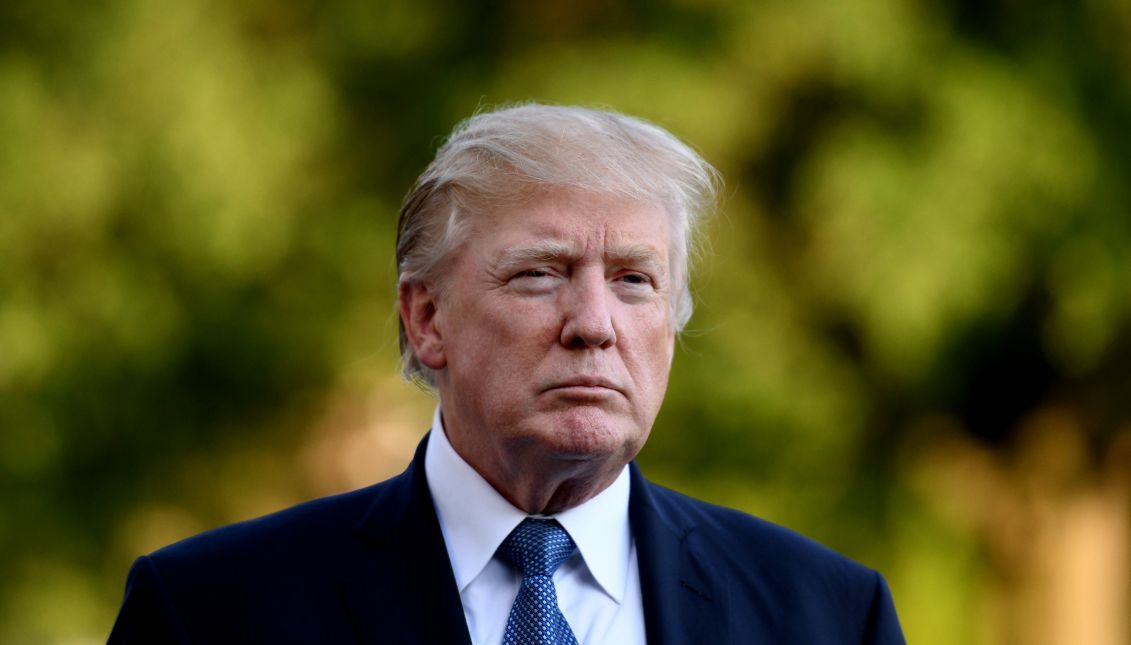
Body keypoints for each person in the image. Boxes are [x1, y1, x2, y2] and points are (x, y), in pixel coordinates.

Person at [108, 103, 905, 644]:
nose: (593, 324)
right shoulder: (211, 612)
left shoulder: (828, 614)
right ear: (427, 320)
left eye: (634, 279)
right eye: (538, 274)